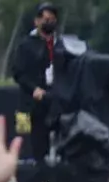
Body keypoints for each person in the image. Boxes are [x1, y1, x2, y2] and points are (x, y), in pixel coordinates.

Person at [11, 3, 68, 163]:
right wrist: (33, 89)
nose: (49, 22)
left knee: (62, 135)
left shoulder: (61, 44)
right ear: (37, 21)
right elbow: (18, 73)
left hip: (58, 97)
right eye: (45, 18)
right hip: (36, 99)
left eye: (52, 19)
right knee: (38, 140)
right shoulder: (26, 45)